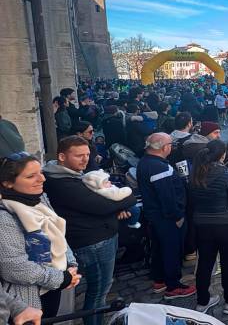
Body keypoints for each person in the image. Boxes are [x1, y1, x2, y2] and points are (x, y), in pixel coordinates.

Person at [43, 136, 136, 325]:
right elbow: (101, 205)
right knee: (98, 292)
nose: (85, 160)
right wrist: (125, 199)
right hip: (93, 242)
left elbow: (99, 205)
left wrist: (115, 208)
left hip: (95, 236)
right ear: (62, 156)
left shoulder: (66, 174)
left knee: (99, 289)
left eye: (87, 154)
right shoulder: (62, 182)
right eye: (79, 156)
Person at [0, 152, 81, 318]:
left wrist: (70, 264)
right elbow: (14, 266)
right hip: (29, 297)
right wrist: (61, 278)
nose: (42, 179)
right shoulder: (4, 216)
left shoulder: (39, 198)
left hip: (55, 283)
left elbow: (57, 234)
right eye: (31, 176)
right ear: (7, 183)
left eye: (41, 173)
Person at [188, 140, 228, 314]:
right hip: (227, 226)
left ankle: (202, 301)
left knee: (205, 264)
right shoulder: (226, 175)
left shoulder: (195, 175)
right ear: (222, 155)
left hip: (202, 226)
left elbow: (191, 204)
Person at [135, 133, 196, 300]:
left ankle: (160, 279)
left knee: (160, 249)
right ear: (164, 147)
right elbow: (166, 195)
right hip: (167, 218)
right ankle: (173, 286)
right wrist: (177, 216)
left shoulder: (146, 162)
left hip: (156, 216)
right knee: (172, 250)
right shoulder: (158, 167)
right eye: (171, 144)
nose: (172, 147)